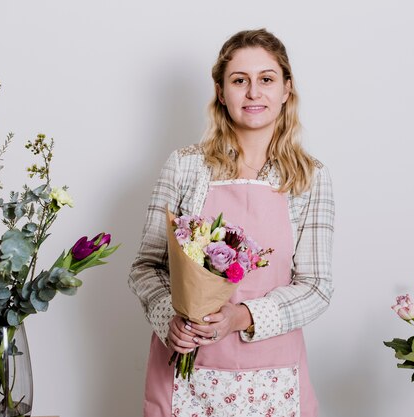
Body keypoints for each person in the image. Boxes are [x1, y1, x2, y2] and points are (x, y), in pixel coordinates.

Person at [129, 28, 335, 417]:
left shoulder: (310, 177)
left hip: (273, 382)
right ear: (221, 92)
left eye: (267, 79)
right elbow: (146, 267)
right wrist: (167, 318)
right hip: (186, 375)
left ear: (287, 89)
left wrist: (241, 317)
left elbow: (317, 287)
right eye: (240, 80)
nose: (254, 93)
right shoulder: (185, 166)